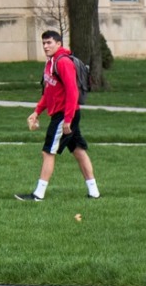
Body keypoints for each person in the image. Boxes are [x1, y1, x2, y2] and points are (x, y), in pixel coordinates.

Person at [17, 30, 101, 201]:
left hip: (65, 115)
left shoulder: (62, 63)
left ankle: (38, 194)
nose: (46, 46)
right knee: (78, 150)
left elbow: (72, 92)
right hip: (63, 114)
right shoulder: (50, 63)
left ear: (58, 43)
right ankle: (94, 192)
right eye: (44, 43)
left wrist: (68, 119)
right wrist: (37, 112)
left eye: (49, 43)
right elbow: (48, 92)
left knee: (48, 152)